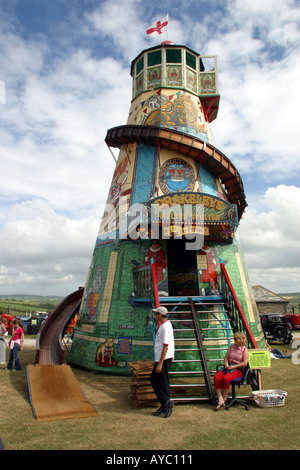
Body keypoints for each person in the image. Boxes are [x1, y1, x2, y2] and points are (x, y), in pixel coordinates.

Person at [213, 332, 249, 410]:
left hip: (237, 368)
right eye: (234, 338)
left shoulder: (244, 350)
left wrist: (234, 366)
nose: (234, 340)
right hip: (228, 366)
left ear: (240, 340)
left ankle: (224, 397)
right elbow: (226, 357)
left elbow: (245, 362)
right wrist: (226, 364)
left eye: (235, 339)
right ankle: (220, 398)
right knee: (216, 377)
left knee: (226, 378)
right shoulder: (231, 347)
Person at [150, 306, 174, 418]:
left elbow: (165, 346)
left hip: (164, 359)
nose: (155, 315)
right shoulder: (164, 326)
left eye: (156, 314)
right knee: (159, 381)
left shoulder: (165, 327)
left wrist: (160, 363)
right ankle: (164, 404)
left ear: (160, 314)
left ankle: (167, 403)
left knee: (158, 381)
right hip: (161, 358)